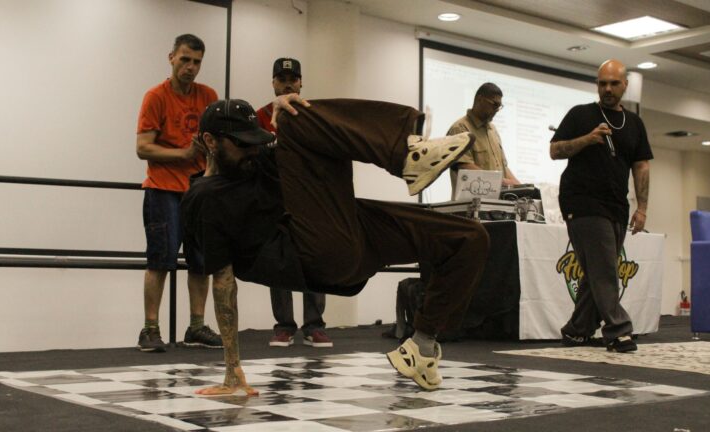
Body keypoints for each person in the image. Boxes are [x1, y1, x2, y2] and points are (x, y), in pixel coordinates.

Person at [181, 95, 489, 394]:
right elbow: (223, 283)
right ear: (210, 142)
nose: (252, 150)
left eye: (255, 141)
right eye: (242, 144)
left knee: (469, 238)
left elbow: (311, 141)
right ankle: (407, 156)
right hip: (314, 256)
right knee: (292, 122)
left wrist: (277, 105)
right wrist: (232, 368)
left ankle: (421, 346)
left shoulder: (255, 162)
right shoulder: (204, 198)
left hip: (348, 238)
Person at [550, 59, 652, 353]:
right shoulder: (581, 115)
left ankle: (577, 330)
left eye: (613, 83)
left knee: (596, 270)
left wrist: (642, 208)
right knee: (606, 268)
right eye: (602, 83)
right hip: (581, 202)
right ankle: (619, 330)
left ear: (624, 86)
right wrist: (588, 139)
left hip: (616, 205)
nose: (607, 89)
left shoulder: (634, 123)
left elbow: (641, 166)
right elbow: (555, 150)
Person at [135, 34, 222, 352]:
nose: (191, 67)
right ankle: (150, 329)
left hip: (199, 188)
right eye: (185, 59)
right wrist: (184, 155)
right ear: (171, 57)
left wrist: (212, 164)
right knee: (161, 258)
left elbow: (218, 141)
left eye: (197, 61)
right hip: (163, 188)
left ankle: (196, 327)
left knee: (201, 261)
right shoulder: (156, 96)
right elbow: (142, 147)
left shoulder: (208, 95)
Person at [255, 58, 332, 348]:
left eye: (293, 78)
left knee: (313, 260)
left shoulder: (313, 115)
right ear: (273, 83)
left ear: (301, 83)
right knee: (279, 262)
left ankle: (315, 325)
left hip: (309, 198)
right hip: (274, 199)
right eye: (281, 78)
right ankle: (284, 326)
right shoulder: (259, 116)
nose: (287, 83)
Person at [447, 83, 521, 190]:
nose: (496, 110)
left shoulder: (493, 130)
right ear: (480, 99)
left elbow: (503, 167)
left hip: (498, 203)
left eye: (499, 106)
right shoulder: (460, 129)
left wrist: (522, 187)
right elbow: (465, 167)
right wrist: (504, 182)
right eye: (494, 104)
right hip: (471, 204)